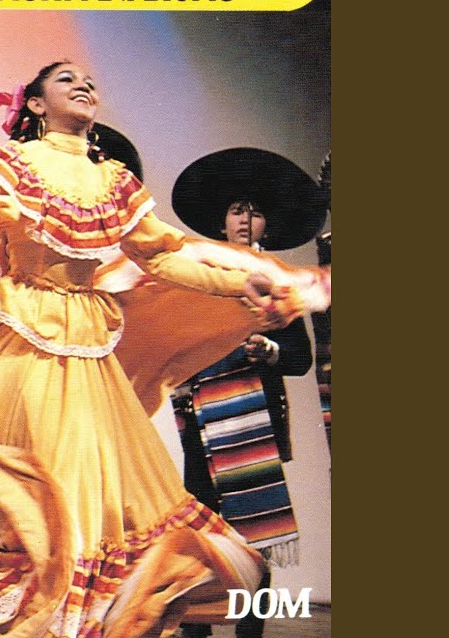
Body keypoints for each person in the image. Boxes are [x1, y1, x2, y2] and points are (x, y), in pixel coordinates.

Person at [0, 61, 330, 638]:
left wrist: (238, 282)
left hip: (89, 345)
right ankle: (28, 605)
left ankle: (77, 616)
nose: (83, 85)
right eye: (65, 79)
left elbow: (163, 256)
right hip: (24, 334)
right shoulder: (12, 164)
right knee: (31, 480)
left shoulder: (115, 181)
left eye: (88, 81)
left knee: (94, 489)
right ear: (36, 105)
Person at [167, 148, 327, 638]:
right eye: (237, 210)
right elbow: (177, 342)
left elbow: (299, 359)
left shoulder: (279, 283)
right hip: (201, 422)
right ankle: (197, 628)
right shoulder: (200, 277)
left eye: (254, 212)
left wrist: (268, 350)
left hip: (255, 423)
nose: (244, 219)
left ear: (266, 225)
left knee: (255, 532)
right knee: (202, 532)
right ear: (221, 220)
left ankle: (250, 629)